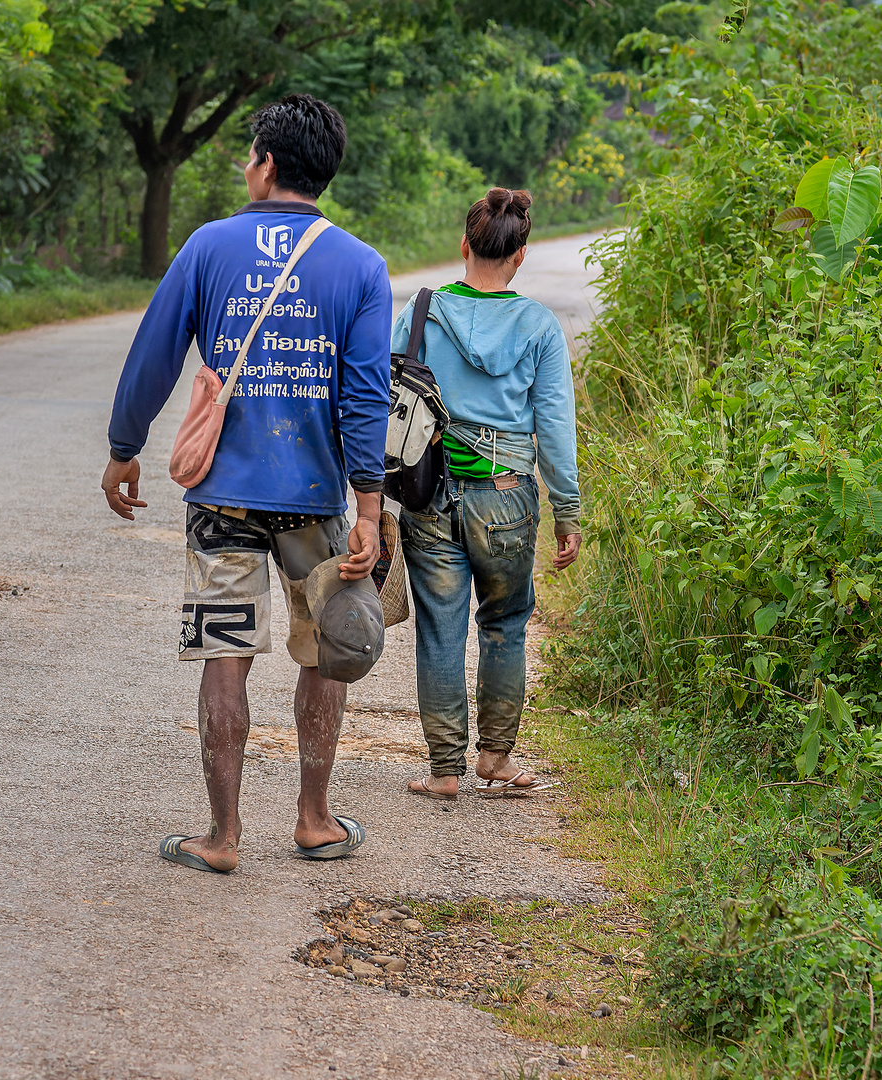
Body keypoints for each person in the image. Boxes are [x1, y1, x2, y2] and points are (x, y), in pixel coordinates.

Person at [101, 95, 392, 871]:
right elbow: (365, 397)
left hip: (222, 497)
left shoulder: (208, 246)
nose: (244, 166)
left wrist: (124, 446)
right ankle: (314, 818)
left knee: (225, 660)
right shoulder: (360, 264)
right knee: (325, 652)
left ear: (265, 164)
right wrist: (370, 508)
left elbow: (154, 354)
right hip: (314, 501)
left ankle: (222, 837)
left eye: (247, 153)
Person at [392, 188, 582, 801]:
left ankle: (444, 771)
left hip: (430, 495)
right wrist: (567, 510)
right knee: (505, 624)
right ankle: (496, 759)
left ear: (465, 244)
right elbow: (552, 427)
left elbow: (384, 399)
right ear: (521, 255)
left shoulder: (419, 313)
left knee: (440, 631)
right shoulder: (537, 326)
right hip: (506, 497)